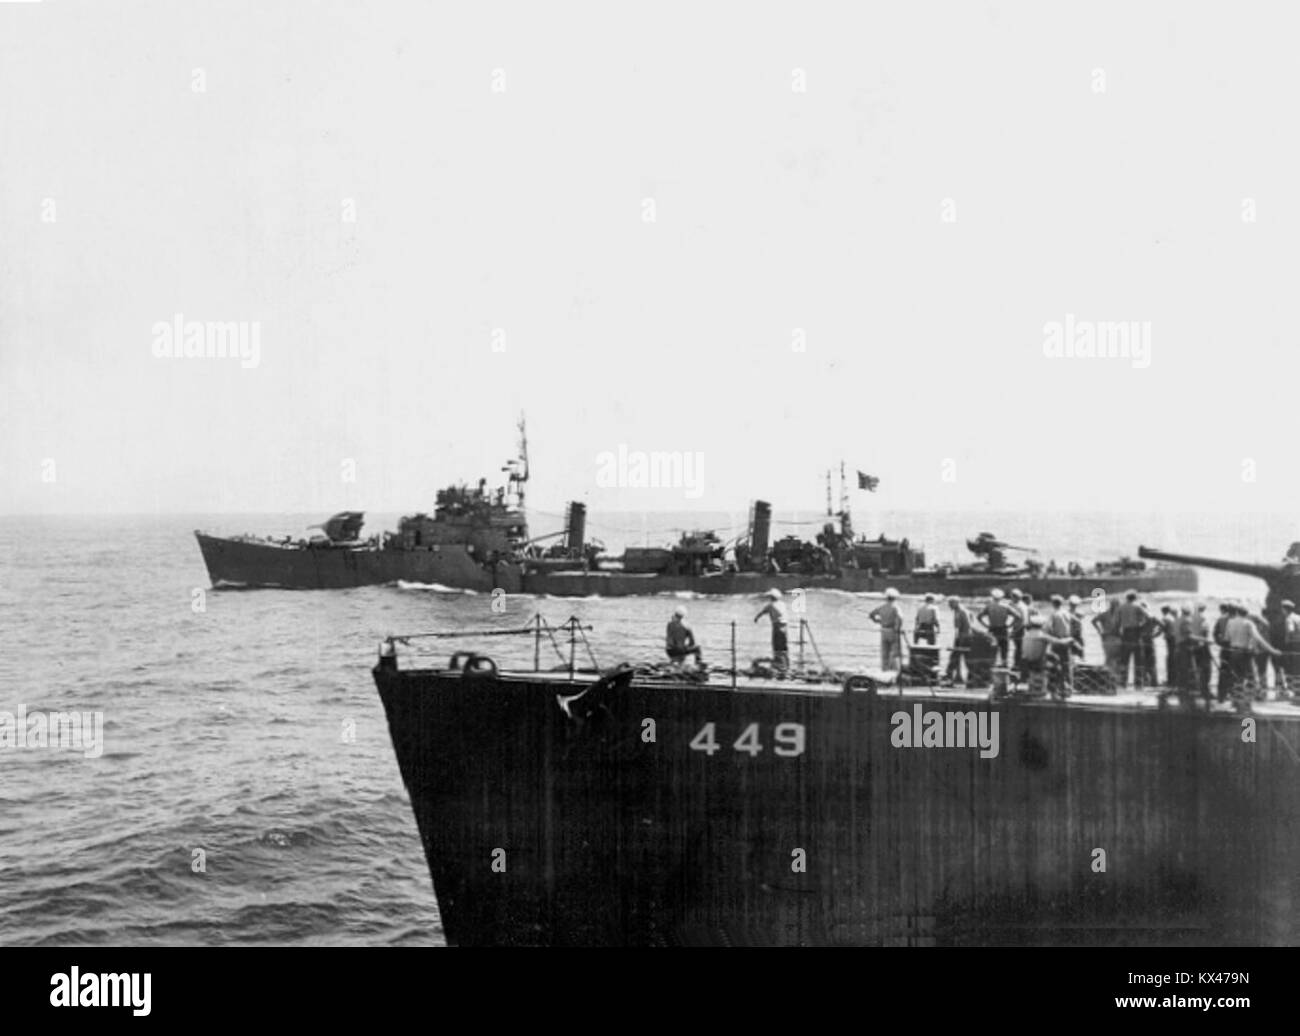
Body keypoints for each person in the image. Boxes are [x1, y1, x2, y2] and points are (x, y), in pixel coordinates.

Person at [1224, 603, 1281, 702]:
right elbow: (1259, 639)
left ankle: (1236, 702)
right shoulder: (1248, 623)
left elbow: (1226, 638)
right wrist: (1273, 651)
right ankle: (1247, 704)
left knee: (1236, 678)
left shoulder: (1230, 622)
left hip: (1233, 652)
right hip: (1244, 653)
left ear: (1237, 612)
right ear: (1246, 614)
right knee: (1251, 679)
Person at [1020, 614, 1076, 698]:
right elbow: (1060, 642)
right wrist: (1070, 639)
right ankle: (1056, 691)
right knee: (1058, 668)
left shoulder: (1026, 635)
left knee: (1054, 657)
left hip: (1025, 662)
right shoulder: (1042, 636)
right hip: (1037, 663)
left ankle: (1038, 687)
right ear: (1042, 625)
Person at [1116, 591, 1146, 688]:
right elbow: (1148, 617)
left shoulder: (1121, 607)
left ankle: (1122, 683)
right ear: (1135, 598)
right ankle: (1138, 684)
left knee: (1124, 660)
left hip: (1125, 633)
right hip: (1136, 633)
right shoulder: (1137, 607)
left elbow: (1116, 622)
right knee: (1138, 660)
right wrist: (1142, 626)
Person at [754, 589, 789, 673]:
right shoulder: (783, 604)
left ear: (772, 598)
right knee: (783, 646)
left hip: (777, 626)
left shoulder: (770, 605)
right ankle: (785, 664)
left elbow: (762, 612)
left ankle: (779, 664)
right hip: (784, 626)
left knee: (776, 645)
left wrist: (756, 618)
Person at [869, 588, 905, 672]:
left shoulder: (882, 607)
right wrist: (898, 628)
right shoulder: (895, 607)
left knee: (885, 652)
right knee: (895, 652)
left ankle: (884, 670)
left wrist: (877, 621)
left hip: (883, 630)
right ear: (895, 598)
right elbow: (900, 618)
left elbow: (871, 614)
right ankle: (895, 671)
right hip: (893, 631)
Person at [1046, 594, 1075, 695]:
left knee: (1055, 665)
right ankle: (1069, 688)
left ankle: (1058, 688)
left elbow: (1048, 628)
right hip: (1067, 640)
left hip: (1057, 641)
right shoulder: (1067, 613)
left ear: (1053, 604)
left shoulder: (1054, 614)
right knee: (1067, 665)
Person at [977, 589, 1014, 665]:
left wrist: (986, 625)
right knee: (1004, 649)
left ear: (993, 597)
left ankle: (992, 666)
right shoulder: (1006, 606)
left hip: (992, 629)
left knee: (992, 649)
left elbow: (979, 617)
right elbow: (1018, 617)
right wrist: (1010, 625)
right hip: (1003, 629)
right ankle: (1004, 665)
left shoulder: (989, 606)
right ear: (1002, 597)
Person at [1092, 597, 1122, 684]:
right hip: (1114, 638)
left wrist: (1100, 631)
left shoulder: (1105, 614)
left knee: (1109, 659)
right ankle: (1114, 680)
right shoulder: (1118, 614)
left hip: (1107, 638)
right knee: (1115, 659)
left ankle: (1109, 679)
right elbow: (1093, 621)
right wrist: (1100, 631)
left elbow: (1093, 621)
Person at [945, 595, 972, 684]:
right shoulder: (962, 611)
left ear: (955, 603)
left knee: (955, 658)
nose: (949, 606)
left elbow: (964, 626)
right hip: (963, 636)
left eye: (950, 604)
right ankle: (957, 676)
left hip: (963, 637)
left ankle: (949, 676)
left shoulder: (960, 612)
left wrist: (961, 640)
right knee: (959, 658)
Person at [1212, 603, 1233, 702]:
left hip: (1224, 648)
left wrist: (1219, 643)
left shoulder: (1221, 619)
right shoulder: (1234, 618)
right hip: (1234, 648)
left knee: (1223, 672)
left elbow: (1215, 633)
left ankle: (1221, 696)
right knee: (1233, 672)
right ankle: (1232, 694)